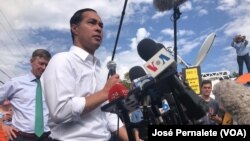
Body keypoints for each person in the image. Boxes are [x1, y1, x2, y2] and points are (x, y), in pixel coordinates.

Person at [41, 8, 128, 141]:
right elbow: (60, 111)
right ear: (75, 29)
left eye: (101, 25)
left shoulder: (100, 70)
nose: (98, 28)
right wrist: (105, 93)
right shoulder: (62, 60)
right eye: (92, 23)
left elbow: (107, 113)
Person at [0, 49, 52, 141]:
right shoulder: (15, 83)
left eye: (46, 65)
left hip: (46, 137)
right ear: (31, 61)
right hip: (21, 137)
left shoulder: (49, 86)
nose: (44, 67)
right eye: (41, 63)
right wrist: (2, 124)